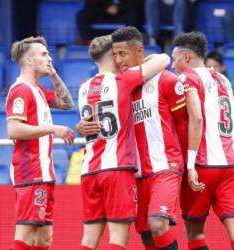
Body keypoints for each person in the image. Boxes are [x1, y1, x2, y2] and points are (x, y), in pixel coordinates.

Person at [77, 30, 170, 250]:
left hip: (89, 169)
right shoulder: (123, 80)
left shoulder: (83, 87)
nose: (121, 59)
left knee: (89, 238)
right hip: (117, 168)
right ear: (112, 55)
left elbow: (85, 122)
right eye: (118, 54)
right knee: (118, 236)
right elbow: (164, 58)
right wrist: (144, 62)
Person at [111, 26, 185, 250]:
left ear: (139, 51)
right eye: (114, 54)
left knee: (157, 223)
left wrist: (187, 162)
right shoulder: (120, 85)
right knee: (145, 234)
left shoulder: (167, 80)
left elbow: (184, 122)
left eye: (122, 53)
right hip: (137, 173)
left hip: (165, 165)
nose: (118, 59)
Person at [6, 36, 75, 250]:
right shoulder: (21, 90)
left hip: (44, 172)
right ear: (29, 61)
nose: (49, 58)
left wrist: (53, 74)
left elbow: (66, 103)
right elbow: (14, 130)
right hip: (30, 172)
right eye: (44, 54)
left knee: (44, 238)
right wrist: (53, 129)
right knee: (25, 234)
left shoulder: (37, 90)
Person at [171, 31, 234, 250]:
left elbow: (196, 118)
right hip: (229, 164)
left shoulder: (187, 78)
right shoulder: (223, 78)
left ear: (186, 57)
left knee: (195, 231)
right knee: (232, 225)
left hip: (202, 164)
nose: (172, 65)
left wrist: (189, 165)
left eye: (174, 59)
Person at [76, 0, 144, 44]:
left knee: (133, 14)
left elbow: (137, 4)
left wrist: (119, 7)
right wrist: (106, 8)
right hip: (102, 14)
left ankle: (130, 41)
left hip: (123, 14)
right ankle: (88, 42)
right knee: (82, 15)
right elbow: (89, 5)